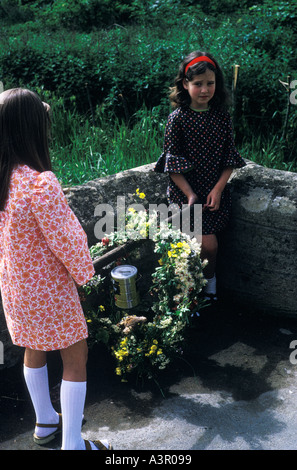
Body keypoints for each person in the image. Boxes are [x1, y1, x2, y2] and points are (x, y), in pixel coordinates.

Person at [0, 88, 112, 450]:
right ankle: (74, 445)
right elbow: (68, 240)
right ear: (33, 129)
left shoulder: (4, 180)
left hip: (16, 288)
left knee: (33, 348)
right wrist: (87, 273)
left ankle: (45, 419)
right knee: (75, 357)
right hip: (50, 289)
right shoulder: (39, 183)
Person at [154, 51, 246, 302]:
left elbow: (230, 158)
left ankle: (209, 286)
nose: (205, 90)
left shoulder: (221, 117)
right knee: (196, 247)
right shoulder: (178, 119)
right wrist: (190, 193)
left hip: (213, 194)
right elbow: (171, 164)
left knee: (209, 246)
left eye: (210, 83)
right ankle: (191, 291)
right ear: (185, 84)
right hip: (187, 194)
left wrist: (217, 190)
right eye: (198, 84)